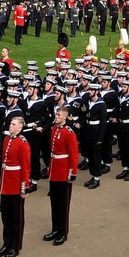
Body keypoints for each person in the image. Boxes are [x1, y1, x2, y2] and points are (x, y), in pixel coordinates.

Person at [0, 112, 31, 257]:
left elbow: (26, 167)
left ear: (20, 127)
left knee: (16, 218)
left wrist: (24, 187)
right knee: (6, 217)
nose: (10, 126)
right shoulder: (6, 139)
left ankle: (15, 247)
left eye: (13, 124)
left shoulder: (23, 143)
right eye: (10, 123)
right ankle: (6, 243)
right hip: (6, 183)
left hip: (16, 184)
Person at [44, 103, 78, 245]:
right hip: (55, 169)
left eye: (59, 115)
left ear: (65, 117)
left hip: (64, 171)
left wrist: (72, 172)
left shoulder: (69, 132)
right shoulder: (54, 129)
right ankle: (55, 229)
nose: (56, 116)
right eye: (56, 114)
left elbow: (74, 154)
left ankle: (63, 232)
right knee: (54, 203)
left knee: (63, 204)